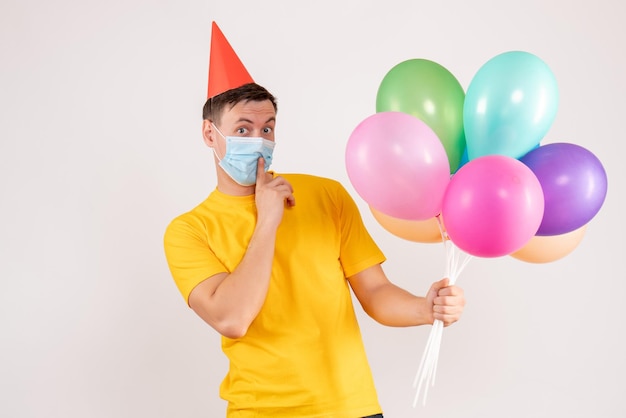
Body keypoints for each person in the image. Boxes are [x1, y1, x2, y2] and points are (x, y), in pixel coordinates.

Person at [163, 22, 466, 418]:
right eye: (243, 129)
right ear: (209, 133)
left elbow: (375, 292)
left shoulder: (326, 196)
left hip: (352, 407)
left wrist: (424, 309)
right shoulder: (189, 230)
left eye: (267, 128)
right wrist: (267, 219)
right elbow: (232, 318)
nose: (259, 140)